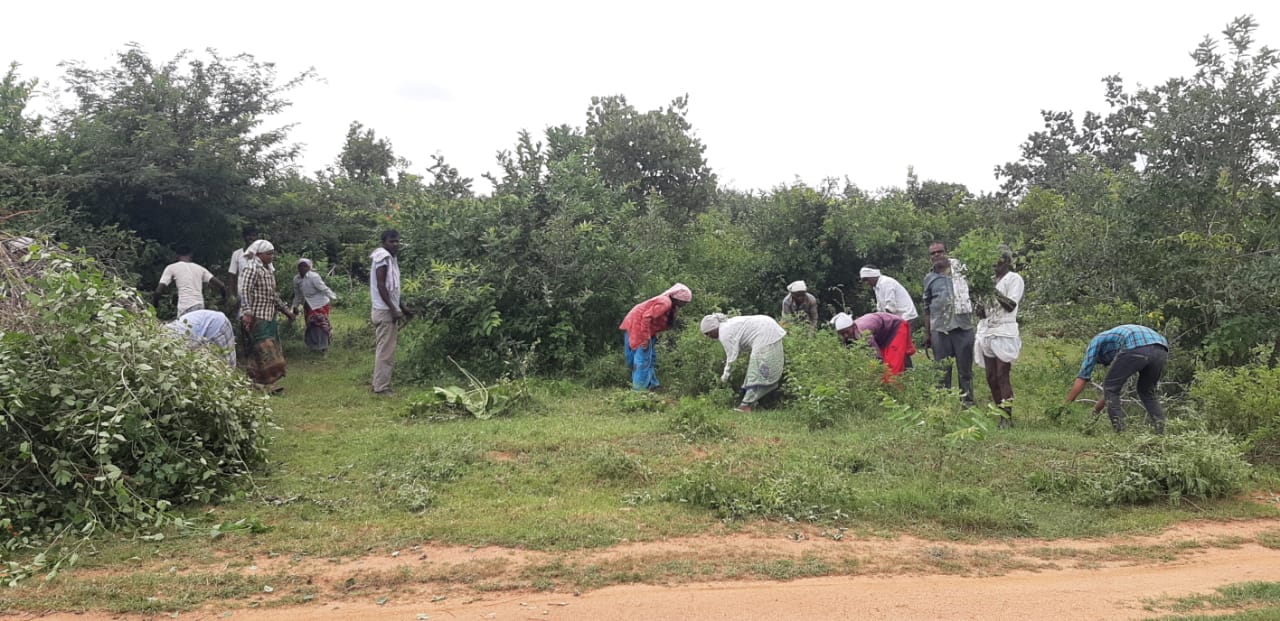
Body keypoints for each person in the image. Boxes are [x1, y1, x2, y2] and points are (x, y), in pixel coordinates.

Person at [1066, 324, 1169, 434]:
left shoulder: (1095, 342)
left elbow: (1083, 377)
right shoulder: (1117, 345)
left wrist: (1065, 406)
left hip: (1137, 344)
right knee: (1146, 391)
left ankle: (1121, 432)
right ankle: (1160, 432)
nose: (1106, 364)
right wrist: (1095, 413)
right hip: (1161, 348)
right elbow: (1113, 390)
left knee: (1110, 387)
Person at [975, 247, 1025, 429]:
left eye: (996, 260)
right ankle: (999, 412)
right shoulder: (989, 281)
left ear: (1005, 261)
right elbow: (981, 313)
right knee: (990, 376)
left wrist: (991, 291)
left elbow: (1011, 305)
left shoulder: (1014, 279)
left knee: (1002, 374)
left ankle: (1007, 417)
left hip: (1004, 329)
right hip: (987, 330)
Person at [239, 240, 295, 394]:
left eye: (272, 253)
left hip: (269, 315)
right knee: (265, 351)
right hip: (257, 316)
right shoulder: (251, 269)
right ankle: (271, 384)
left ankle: (254, 382)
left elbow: (272, 295)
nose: (271, 257)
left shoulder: (268, 270)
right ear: (259, 254)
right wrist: (247, 312)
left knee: (260, 351)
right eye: (268, 254)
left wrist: (286, 311)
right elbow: (245, 291)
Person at [922, 245, 975, 405]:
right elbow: (927, 306)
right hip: (940, 328)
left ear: (946, 253)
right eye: (933, 253)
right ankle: (943, 404)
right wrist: (927, 333)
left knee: (965, 369)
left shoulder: (961, 272)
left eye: (940, 252)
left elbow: (975, 293)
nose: (937, 255)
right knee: (942, 370)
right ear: (930, 257)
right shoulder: (929, 278)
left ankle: (967, 403)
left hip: (963, 326)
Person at [701, 313, 786, 412]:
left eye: (708, 333)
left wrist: (724, 378)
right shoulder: (727, 325)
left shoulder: (724, 333)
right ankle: (755, 402)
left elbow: (732, 359)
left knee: (757, 373)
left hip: (765, 334)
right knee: (762, 370)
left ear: (713, 328)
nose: (709, 336)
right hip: (770, 327)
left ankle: (746, 405)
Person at [618, 283, 693, 391]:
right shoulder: (665, 303)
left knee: (646, 357)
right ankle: (639, 391)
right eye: (685, 301)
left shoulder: (670, 305)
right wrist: (645, 338)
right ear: (678, 298)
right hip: (638, 327)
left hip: (635, 325)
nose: (686, 304)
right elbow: (646, 318)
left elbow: (656, 321)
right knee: (642, 359)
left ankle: (652, 384)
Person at [371, 229, 413, 396]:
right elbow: (382, 286)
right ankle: (381, 388)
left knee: (384, 348)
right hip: (384, 311)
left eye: (397, 241)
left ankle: (377, 383)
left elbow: (392, 289)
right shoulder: (383, 258)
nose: (395, 244)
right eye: (391, 241)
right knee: (385, 351)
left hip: (386, 309)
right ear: (384, 242)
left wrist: (402, 308)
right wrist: (393, 309)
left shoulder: (390, 259)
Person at [860, 266, 918, 368]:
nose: (866, 283)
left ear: (873, 276)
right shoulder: (877, 287)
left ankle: (908, 373)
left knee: (900, 347)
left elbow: (890, 307)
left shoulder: (886, 283)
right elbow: (880, 309)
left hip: (905, 317)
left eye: (866, 280)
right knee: (895, 347)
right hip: (895, 320)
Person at [832, 311, 915, 382]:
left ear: (853, 327)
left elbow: (877, 358)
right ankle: (909, 376)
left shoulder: (864, 333)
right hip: (882, 335)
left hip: (895, 328)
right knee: (884, 368)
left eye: (847, 332)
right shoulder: (847, 336)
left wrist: (874, 377)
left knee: (892, 370)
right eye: (842, 334)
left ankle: (898, 392)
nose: (845, 335)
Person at [154, 245, 228, 317]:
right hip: (199, 307)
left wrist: (155, 307)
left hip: (185, 307)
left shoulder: (171, 267)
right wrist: (223, 300)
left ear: (177, 256)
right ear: (191, 255)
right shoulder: (200, 268)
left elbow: (158, 291)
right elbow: (222, 285)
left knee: (184, 329)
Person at [292, 258, 339, 354]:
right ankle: (313, 346)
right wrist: (295, 306)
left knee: (321, 325)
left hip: (320, 303)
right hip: (308, 305)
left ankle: (324, 347)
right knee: (311, 326)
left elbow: (323, 288)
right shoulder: (296, 279)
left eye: (305, 266)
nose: (302, 268)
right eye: (300, 266)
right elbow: (298, 294)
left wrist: (334, 297)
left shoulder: (313, 277)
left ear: (309, 267)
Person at [166, 309, 237, 367]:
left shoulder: (180, 337)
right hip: (203, 328)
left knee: (227, 364)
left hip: (220, 325)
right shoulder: (169, 331)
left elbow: (189, 353)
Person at [227, 226, 261, 315]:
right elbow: (232, 276)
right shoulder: (237, 254)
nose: (251, 238)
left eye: (254, 236)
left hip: (258, 295)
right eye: (248, 236)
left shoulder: (261, 255)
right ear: (244, 237)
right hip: (242, 295)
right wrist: (231, 295)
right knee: (243, 322)